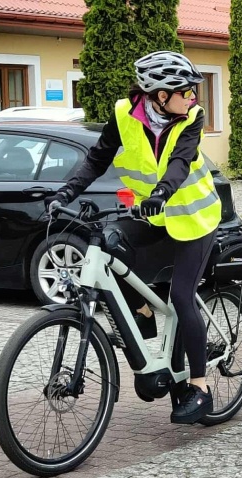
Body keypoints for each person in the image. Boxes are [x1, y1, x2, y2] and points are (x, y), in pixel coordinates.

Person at [42, 51, 220, 424]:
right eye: (185, 90)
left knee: (182, 297)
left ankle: (200, 388)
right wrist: (65, 193)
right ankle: (141, 311)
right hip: (151, 215)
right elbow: (97, 158)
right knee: (108, 243)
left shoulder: (192, 117)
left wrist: (161, 193)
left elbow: (180, 161)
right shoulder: (124, 113)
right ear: (158, 95)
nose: (193, 97)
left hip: (194, 218)